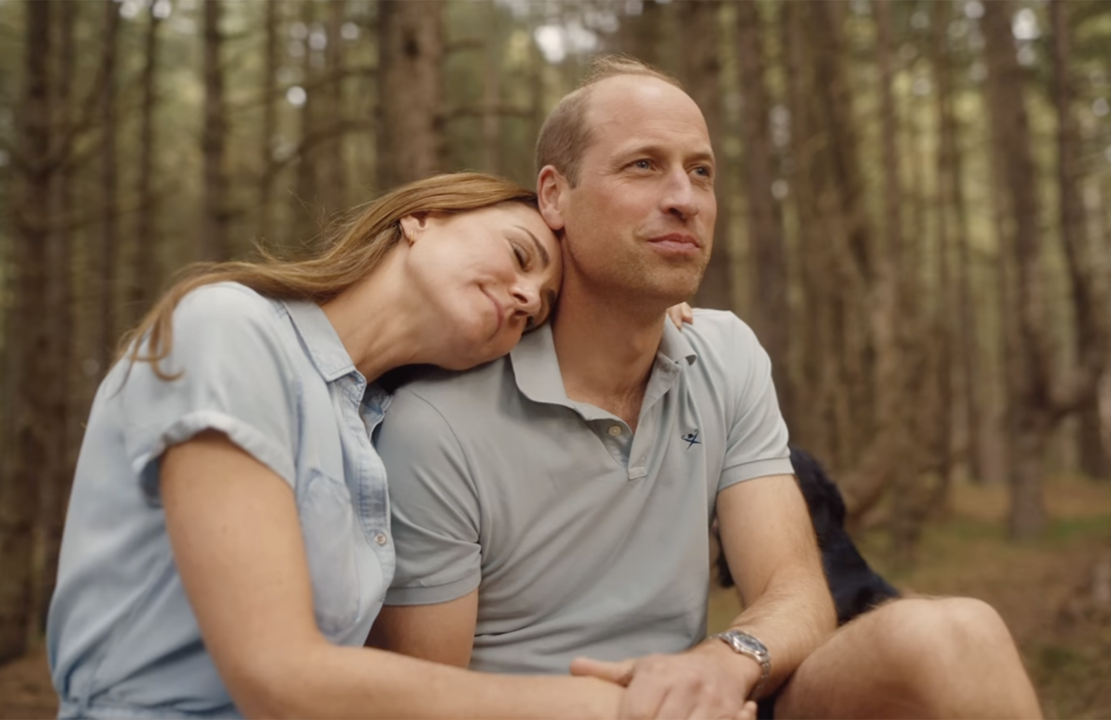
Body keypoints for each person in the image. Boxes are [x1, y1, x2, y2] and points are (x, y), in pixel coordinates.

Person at [371, 58, 1046, 720]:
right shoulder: (438, 418)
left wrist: (721, 664)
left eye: (701, 172)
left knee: (956, 636)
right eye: (643, 165)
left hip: (709, 702)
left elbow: (797, 590)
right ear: (554, 195)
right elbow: (424, 701)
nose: (683, 199)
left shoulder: (724, 355)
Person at [45, 172, 738, 720]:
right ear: (422, 218)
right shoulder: (233, 328)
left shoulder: (380, 429)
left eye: (544, 307)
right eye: (521, 255)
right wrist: (598, 707)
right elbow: (276, 678)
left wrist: (643, 315)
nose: (528, 296)